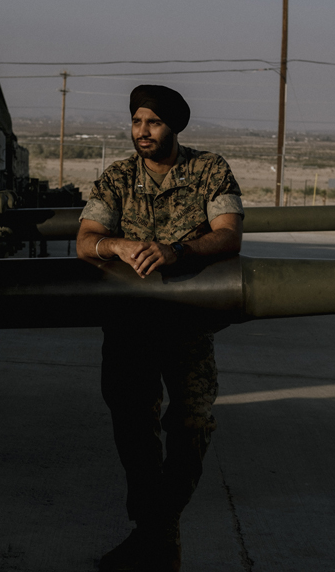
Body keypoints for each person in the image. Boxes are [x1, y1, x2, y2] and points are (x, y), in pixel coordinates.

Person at [76, 85, 244, 572]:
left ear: (174, 126)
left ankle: (155, 533)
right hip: (129, 325)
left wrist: (179, 251)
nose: (141, 132)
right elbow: (87, 240)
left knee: (193, 424)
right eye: (135, 122)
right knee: (134, 430)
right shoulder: (119, 177)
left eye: (152, 122)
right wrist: (117, 246)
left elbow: (229, 234)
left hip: (189, 323)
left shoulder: (209, 169)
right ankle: (159, 539)